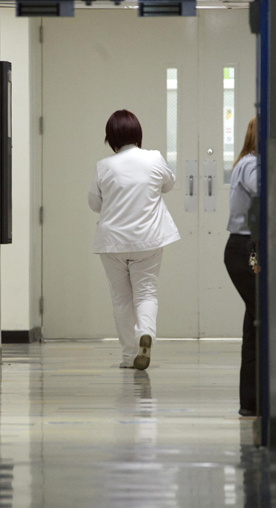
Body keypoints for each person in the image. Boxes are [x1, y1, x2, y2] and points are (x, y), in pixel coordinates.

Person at [88, 110, 180, 370]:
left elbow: (94, 204)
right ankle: (145, 334)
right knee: (146, 293)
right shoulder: (154, 159)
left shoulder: (104, 166)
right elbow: (168, 185)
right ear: (138, 135)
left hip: (112, 243)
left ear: (112, 139)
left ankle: (129, 355)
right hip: (148, 241)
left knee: (121, 299)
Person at [224, 117, 259, 417]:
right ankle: (256, 400)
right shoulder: (250, 165)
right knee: (264, 317)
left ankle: (250, 402)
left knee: (254, 324)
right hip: (245, 249)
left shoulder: (247, 161)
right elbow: (265, 189)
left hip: (246, 248)